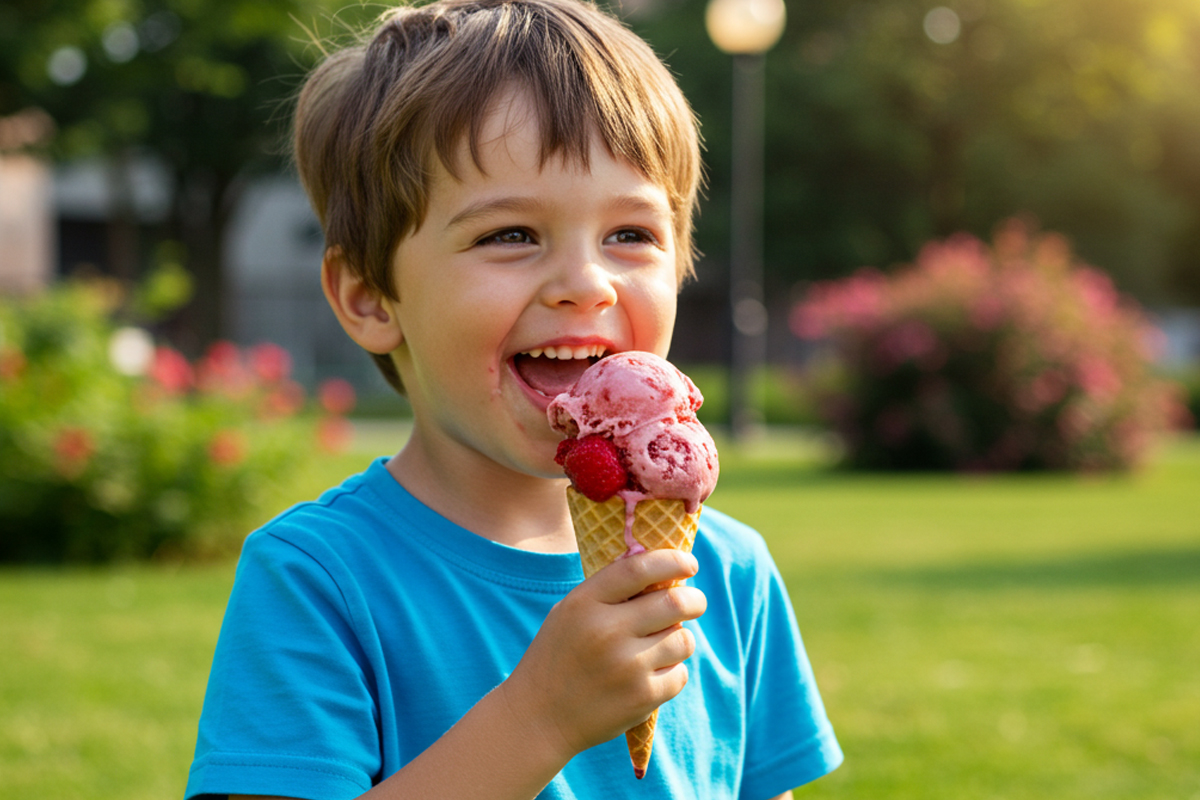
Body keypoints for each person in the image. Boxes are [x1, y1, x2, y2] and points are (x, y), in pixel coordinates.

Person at [185, 0, 842, 797]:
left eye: (630, 235)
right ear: (369, 297)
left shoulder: (728, 575)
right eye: (510, 235)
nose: (587, 284)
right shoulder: (319, 580)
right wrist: (540, 719)